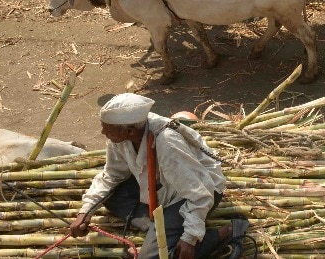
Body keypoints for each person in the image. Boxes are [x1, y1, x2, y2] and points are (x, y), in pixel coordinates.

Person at [69, 94, 247, 259]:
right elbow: (112, 175)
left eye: (106, 129)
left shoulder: (167, 142)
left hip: (193, 193)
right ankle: (160, 229)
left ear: (130, 131)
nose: (102, 132)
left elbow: (200, 193)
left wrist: (190, 238)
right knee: (113, 195)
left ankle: (225, 232)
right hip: (159, 187)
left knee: (152, 257)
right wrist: (85, 212)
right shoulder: (123, 138)